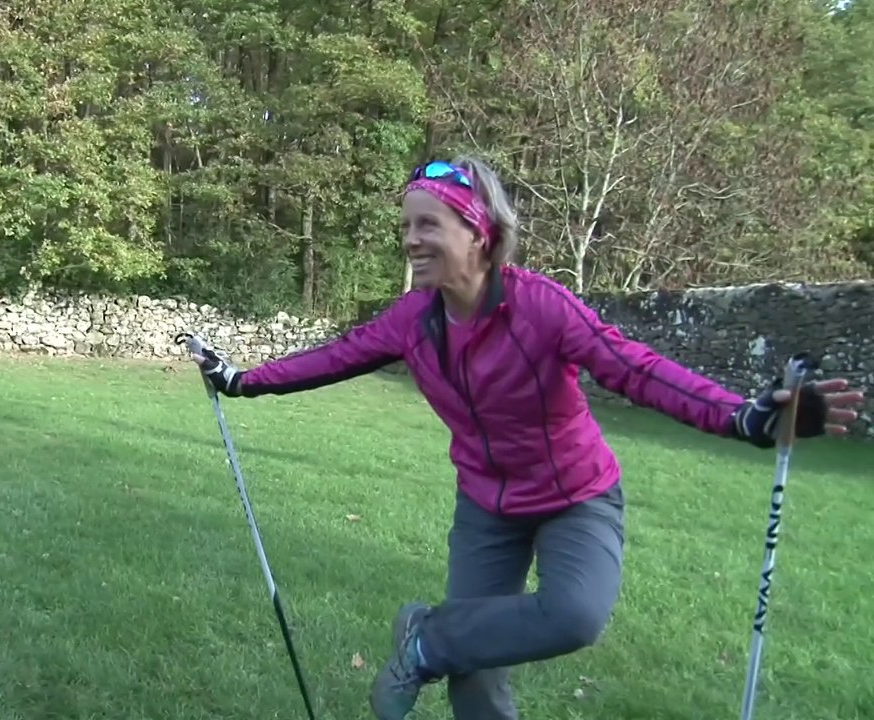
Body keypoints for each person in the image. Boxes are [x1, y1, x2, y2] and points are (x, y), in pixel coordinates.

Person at [187, 157, 864, 720]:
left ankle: (426, 638)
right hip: (487, 506)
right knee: (476, 674)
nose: (411, 239)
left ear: (478, 232)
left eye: (429, 224)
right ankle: (439, 642)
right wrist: (242, 380)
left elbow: (634, 368)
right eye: (406, 226)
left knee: (575, 615)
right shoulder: (411, 319)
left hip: (576, 495)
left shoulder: (541, 306)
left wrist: (744, 418)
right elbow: (331, 357)